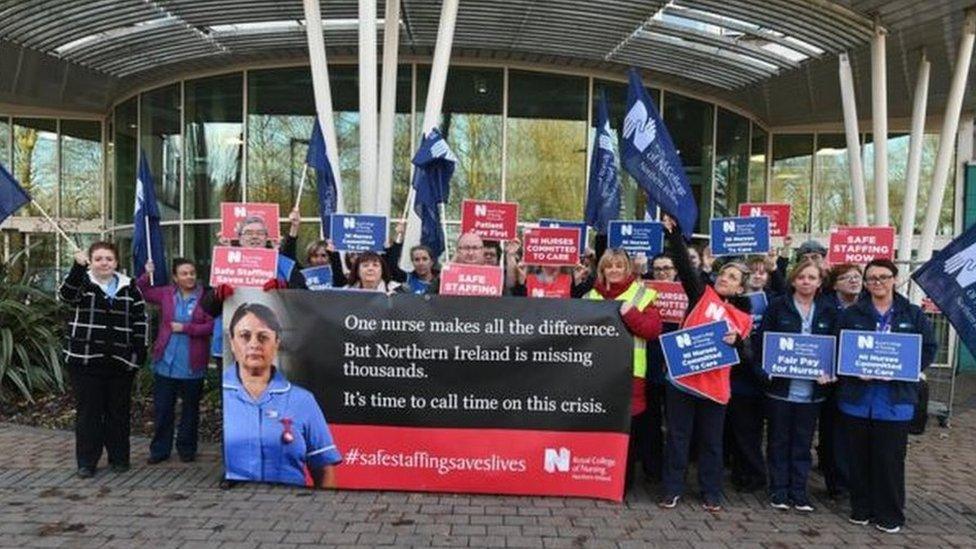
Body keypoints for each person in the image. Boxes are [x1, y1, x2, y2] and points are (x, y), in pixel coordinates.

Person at [659, 216, 754, 511]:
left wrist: (737, 343)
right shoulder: (701, 294)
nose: (726, 279)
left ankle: (711, 491)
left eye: (733, 278)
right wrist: (674, 235)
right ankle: (672, 489)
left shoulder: (744, 319)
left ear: (741, 289)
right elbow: (686, 268)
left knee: (711, 444)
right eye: (724, 274)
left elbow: (748, 357)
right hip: (683, 381)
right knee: (677, 437)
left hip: (715, 389)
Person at [836, 259, 937, 533]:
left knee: (889, 460)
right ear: (866, 284)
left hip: (895, 401)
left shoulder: (912, 314)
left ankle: (890, 514)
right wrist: (856, 371)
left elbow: (929, 348)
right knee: (858, 458)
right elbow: (839, 349)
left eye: (882, 277)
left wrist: (905, 368)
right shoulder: (852, 313)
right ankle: (861, 508)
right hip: (857, 399)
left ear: (894, 279)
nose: (877, 283)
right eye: (871, 279)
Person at [223, 302, 342, 487]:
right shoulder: (224, 396)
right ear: (231, 342)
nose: (254, 344)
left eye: (263, 337)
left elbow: (324, 470)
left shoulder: (302, 401)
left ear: (277, 342)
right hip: (232, 507)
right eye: (245, 336)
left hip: (289, 507)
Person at [59, 241, 148, 478]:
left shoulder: (130, 288)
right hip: (85, 361)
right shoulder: (83, 282)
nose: (104, 263)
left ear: (116, 262)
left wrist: (140, 349)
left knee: (117, 413)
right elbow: (66, 296)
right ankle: (86, 462)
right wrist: (77, 268)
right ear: (91, 261)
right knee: (89, 414)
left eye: (109, 259)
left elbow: (141, 319)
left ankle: (119, 458)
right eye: (98, 259)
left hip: (121, 361)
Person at [758, 259, 837, 512]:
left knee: (802, 444)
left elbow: (837, 347)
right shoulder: (777, 307)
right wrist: (766, 369)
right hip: (780, 389)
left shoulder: (829, 310)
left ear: (819, 282)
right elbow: (762, 342)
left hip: (813, 392)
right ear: (793, 280)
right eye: (802, 277)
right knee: (778, 441)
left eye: (812, 278)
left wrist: (831, 373)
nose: (806, 282)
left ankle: (799, 492)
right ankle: (779, 490)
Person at [584, 249, 662, 488]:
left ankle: (622, 482)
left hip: (631, 374)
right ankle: (597, 476)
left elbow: (652, 330)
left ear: (627, 268)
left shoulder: (643, 294)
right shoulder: (588, 297)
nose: (614, 270)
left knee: (627, 429)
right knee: (600, 426)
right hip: (596, 375)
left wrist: (629, 313)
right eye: (609, 266)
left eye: (619, 265)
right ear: (602, 270)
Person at [138, 258, 214, 464]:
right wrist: (147, 273)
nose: (189, 277)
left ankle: (187, 449)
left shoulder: (206, 297)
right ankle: (160, 450)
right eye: (184, 273)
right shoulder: (166, 294)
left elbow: (210, 327)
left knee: (190, 409)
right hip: (165, 362)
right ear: (175, 277)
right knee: (163, 409)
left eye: (192, 273)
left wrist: (186, 328)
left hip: (192, 364)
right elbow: (142, 291)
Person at [817, 262, 864, 498]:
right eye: (847, 277)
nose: (854, 280)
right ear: (834, 284)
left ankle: (851, 479)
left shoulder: (867, 308)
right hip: (826, 379)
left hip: (856, 379)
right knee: (831, 432)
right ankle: (835, 482)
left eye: (857, 276)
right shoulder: (824, 307)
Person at [640, 253, 680, 482]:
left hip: (677, 366)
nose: (662, 272)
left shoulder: (686, 294)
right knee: (652, 423)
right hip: (651, 364)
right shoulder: (645, 293)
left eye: (667, 268)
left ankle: (673, 472)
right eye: (657, 269)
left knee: (676, 425)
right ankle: (652, 470)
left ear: (675, 270)